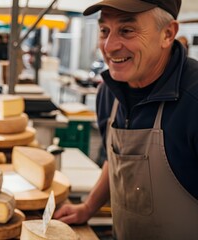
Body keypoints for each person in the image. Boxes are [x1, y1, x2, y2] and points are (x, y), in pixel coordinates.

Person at [54, 0, 198, 238]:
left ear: (167, 34)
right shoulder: (109, 93)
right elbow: (117, 159)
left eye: (127, 30)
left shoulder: (193, 102)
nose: (109, 46)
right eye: (104, 31)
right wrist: (88, 207)